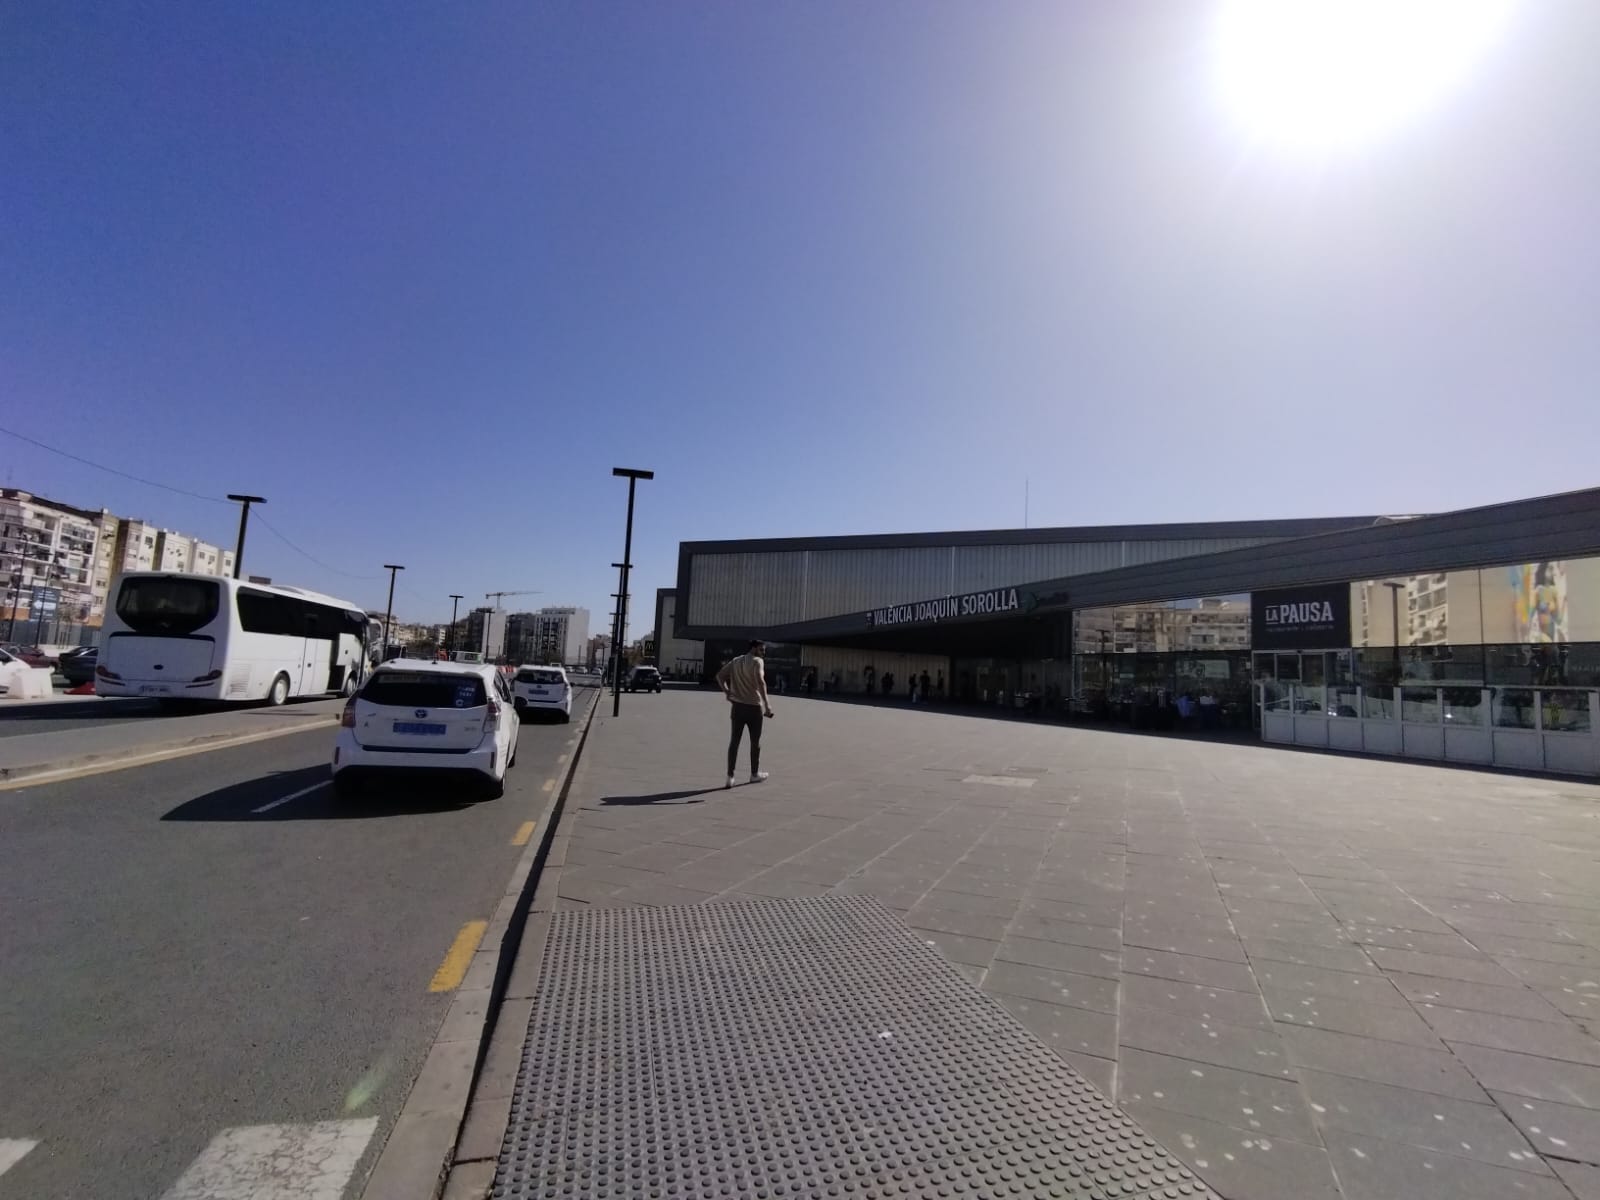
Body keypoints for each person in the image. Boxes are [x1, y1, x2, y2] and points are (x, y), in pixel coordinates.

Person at [717, 639, 774, 787]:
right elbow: (761, 682)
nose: (763, 653)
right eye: (762, 650)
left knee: (734, 741)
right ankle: (754, 774)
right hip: (754, 708)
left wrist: (727, 692)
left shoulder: (736, 661)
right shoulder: (757, 662)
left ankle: (730, 776)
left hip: (737, 707)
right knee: (755, 742)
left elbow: (720, 676)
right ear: (754, 649)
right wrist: (767, 705)